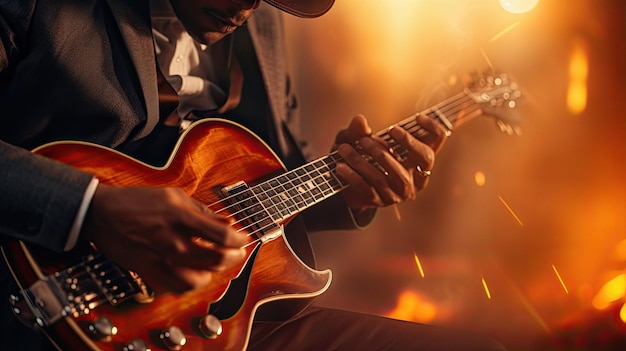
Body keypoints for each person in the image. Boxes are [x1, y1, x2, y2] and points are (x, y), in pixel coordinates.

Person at [0, 0, 507, 350]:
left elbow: (259, 179)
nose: (245, 7)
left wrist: (350, 189)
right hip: (33, 302)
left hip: (217, 325)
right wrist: (89, 209)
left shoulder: (258, 22)